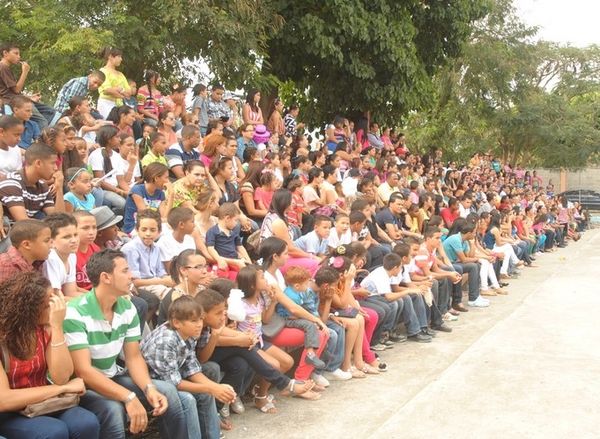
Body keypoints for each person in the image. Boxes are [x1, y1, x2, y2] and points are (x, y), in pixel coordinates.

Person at [63, 249, 189, 439]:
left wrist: (149, 388)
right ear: (106, 277)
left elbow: (133, 356)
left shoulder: (127, 307)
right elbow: (84, 371)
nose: (131, 276)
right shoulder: (75, 312)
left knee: (166, 391)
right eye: (125, 271)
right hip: (83, 386)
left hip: (111, 376)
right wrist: (128, 396)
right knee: (113, 410)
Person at [0, 272, 100, 439]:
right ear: (27, 310)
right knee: (53, 431)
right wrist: (62, 389)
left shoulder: (44, 329)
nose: (55, 308)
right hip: (10, 412)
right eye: (48, 304)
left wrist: (57, 327)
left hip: (44, 403)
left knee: (86, 423)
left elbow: (61, 376)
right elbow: (4, 400)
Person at [235, 265, 317, 412]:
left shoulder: (259, 299)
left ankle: (259, 390)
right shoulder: (240, 304)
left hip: (259, 340)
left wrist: (272, 302)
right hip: (248, 345)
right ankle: (261, 398)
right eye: (261, 277)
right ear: (253, 284)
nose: (265, 279)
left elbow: (265, 320)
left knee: (287, 362)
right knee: (275, 364)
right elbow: (234, 327)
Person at [141, 296, 222, 439]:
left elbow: (192, 369)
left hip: (170, 378)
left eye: (200, 319)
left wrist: (215, 388)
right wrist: (211, 388)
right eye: (194, 321)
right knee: (188, 399)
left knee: (207, 391)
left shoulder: (189, 333)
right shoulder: (166, 340)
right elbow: (174, 384)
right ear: (177, 322)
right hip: (149, 382)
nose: (199, 325)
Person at [276, 266, 328, 370]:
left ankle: (312, 353)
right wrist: (311, 320)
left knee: (311, 324)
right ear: (297, 286)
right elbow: (293, 313)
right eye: (306, 283)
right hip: (286, 319)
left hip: (292, 317)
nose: (308, 285)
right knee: (309, 325)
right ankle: (310, 353)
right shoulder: (292, 296)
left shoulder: (297, 292)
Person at [0, 142, 64, 221]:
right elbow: (23, 221)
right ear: (38, 163)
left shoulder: (42, 186)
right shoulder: (12, 183)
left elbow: (59, 220)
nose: (56, 168)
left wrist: (59, 188)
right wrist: (50, 225)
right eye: (53, 163)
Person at [0, 42, 58, 129]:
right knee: (42, 121)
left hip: (17, 98)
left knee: (51, 112)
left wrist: (29, 97)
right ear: (5, 53)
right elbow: (16, 90)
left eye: (19, 54)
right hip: (12, 102)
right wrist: (25, 72)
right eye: (16, 53)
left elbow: (11, 91)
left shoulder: (6, 67)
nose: (19, 56)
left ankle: (33, 132)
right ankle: (39, 140)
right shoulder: (3, 67)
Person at [121, 209, 173, 301]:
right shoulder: (130, 249)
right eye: (144, 230)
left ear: (159, 231)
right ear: (137, 230)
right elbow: (134, 281)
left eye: (153, 230)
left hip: (155, 283)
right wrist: (162, 281)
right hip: (139, 287)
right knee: (170, 296)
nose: (148, 234)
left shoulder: (156, 248)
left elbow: (161, 273)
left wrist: (170, 280)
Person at [443, 222, 489, 308]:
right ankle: (466, 299)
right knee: (472, 265)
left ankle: (475, 297)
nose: (475, 235)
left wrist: (472, 244)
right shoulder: (456, 239)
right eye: (474, 233)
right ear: (468, 233)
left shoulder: (465, 241)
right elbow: (464, 260)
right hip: (448, 263)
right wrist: (477, 259)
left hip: (456, 262)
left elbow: (469, 256)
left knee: (476, 265)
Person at [88, 125, 127, 216]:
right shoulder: (96, 155)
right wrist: (119, 191)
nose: (120, 140)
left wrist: (130, 191)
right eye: (117, 137)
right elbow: (100, 181)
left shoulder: (117, 156)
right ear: (109, 139)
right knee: (122, 203)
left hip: (115, 188)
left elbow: (121, 181)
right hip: (102, 190)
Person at [206, 202, 252, 280]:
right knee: (222, 274)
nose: (236, 223)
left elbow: (240, 247)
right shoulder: (213, 231)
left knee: (247, 275)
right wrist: (219, 259)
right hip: (222, 262)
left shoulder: (233, 232)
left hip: (235, 261)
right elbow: (210, 248)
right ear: (227, 218)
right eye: (235, 220)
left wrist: (249, 261)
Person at [122, 163, 169, 234]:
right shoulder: (137, 190)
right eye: (166, 177)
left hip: (152, 225)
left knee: (169, 229)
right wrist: (163, 220)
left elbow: (165, 216)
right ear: (156, 178)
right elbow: (146, 215)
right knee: (166, 232)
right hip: (134, 227)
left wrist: (172, 194)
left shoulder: (160, 193)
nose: (168, 181)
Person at [43, 213, 80, 297]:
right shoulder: (51, 259)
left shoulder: (71, 255)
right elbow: (56, 298)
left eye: (75, 235)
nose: (74, 240)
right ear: (51, 242)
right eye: (67, 237)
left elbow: (71, 292)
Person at [157, 207, 196, 272]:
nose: (194, 225)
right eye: (192, 222)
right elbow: (170, 270)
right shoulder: (164, 242)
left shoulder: (190, 240)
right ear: (181, 225)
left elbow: (194, 262)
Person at [97, 47, 130, 118]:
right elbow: (107, 90)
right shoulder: (103, 71)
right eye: (119, 56)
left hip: (119, 105)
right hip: (106, 104)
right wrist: (122, 93)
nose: (121, 59)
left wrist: (119, 90)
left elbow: (129, 92)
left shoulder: (121, 74)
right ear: (110, 56)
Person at [73, 210, 100, 292]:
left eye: (94, 227)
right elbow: (71, 289)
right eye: (85, 228)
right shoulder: (69, 253)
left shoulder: (96, 249)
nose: (91, 232)